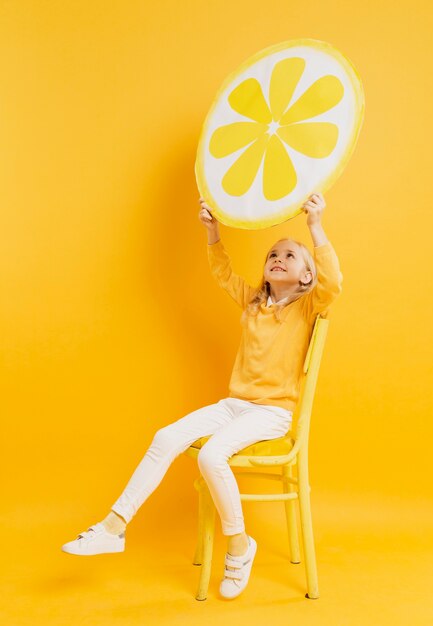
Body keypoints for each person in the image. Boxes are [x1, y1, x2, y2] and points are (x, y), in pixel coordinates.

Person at [61, 191, 343, 599]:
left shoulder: (306, 307)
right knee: (164, 438)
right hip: (235, 405)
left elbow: (334, 282)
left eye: (289, 255)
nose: (278, 257)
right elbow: (224, 273)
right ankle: (113, 527)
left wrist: (315, 227)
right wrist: (213, 232)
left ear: (305, 276)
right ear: (265, 272)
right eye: (272, 255)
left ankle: (239, 547)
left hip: (272, 413)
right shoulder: (254, 302)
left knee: (212, 455)